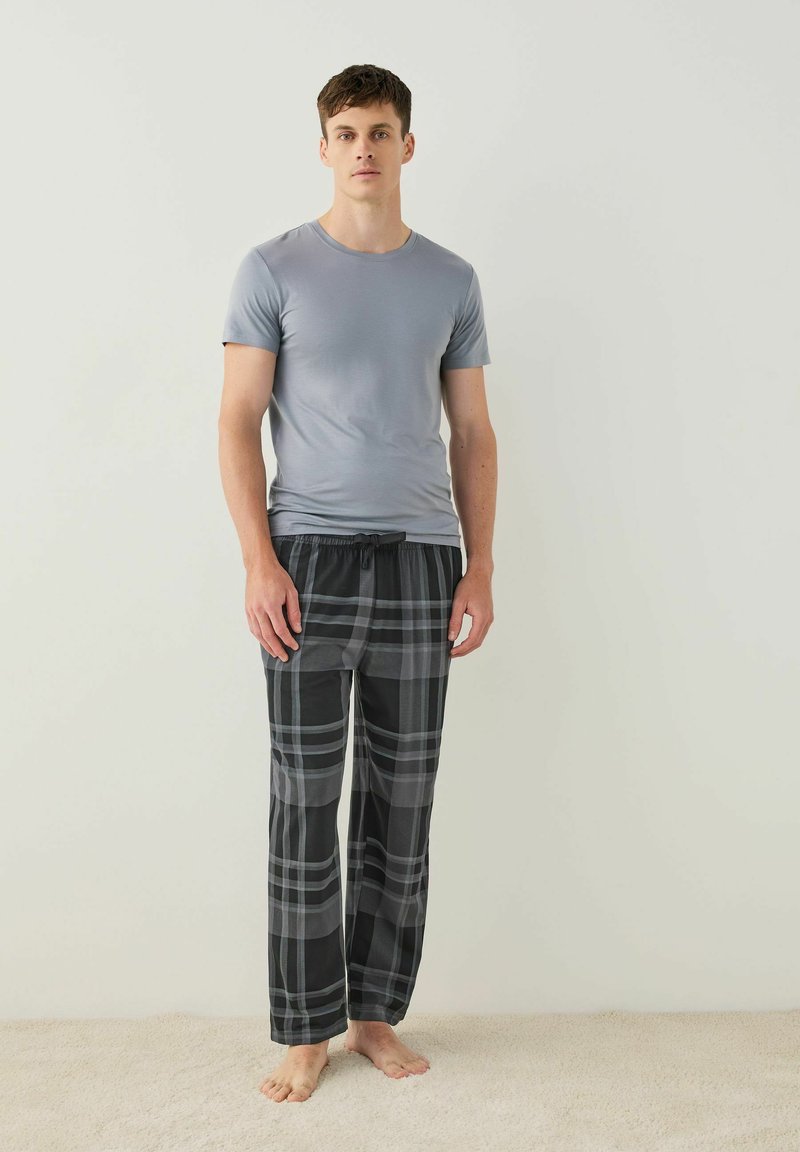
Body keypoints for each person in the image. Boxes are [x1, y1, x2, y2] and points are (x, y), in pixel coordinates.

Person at [218, 63, 497, 1103]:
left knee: (401, 800)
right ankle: (305, 1028)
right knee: (305, 796)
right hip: (308, 562)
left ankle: (375, 1013)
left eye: (380, 131)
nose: (364, 148)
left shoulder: (451, 280)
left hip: (422, 562)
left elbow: (472, 432)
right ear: (324, 147)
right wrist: (259, 560)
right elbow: (236, 420)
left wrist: (478, 565)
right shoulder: (273, 268)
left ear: (407, 145)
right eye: (345, 132)